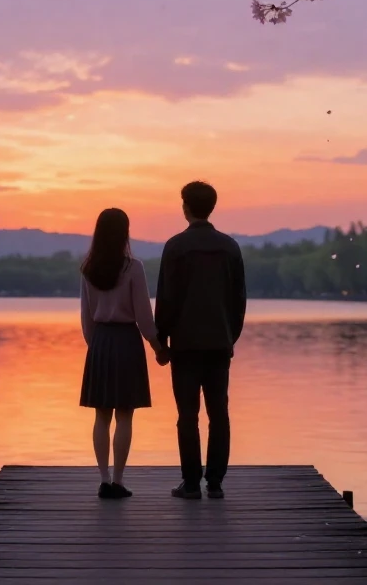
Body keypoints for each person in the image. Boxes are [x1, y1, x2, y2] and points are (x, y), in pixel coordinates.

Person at [154, 181, 246, 500]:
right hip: (219, 343)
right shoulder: (230, 247)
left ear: (186, 207)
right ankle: (216, 483)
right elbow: (239, 301)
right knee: (219, 413)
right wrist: (230, 335)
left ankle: (191, 483)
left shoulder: (176, 247)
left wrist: (161, 341)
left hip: (185, 344)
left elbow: (166, 298)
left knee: (187, 415)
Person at [78, 208, 167, 499]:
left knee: (101, 416)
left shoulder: (88, 269)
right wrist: (157, 347)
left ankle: (103, 479)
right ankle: (118, 480)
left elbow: (86, 318)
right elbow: (144, 315)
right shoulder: (133, 267)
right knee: (125, 416)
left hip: (101, 342)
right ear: (124, 233)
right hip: (127, 341)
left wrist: (96, 348)